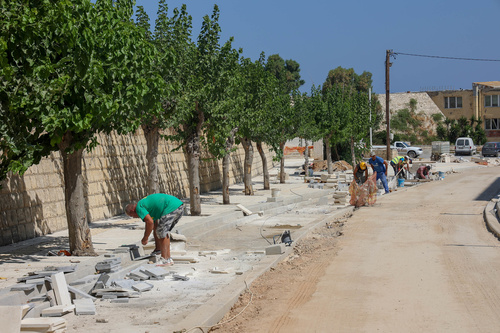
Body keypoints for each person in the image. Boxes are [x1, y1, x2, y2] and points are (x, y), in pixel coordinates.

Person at [125, 193, 184, 266]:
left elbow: (149, 222)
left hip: (171, 207)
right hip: (178, 206)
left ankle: (165, 259)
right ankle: (168, 258)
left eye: (132, 216)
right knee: (162, 232)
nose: (134, 218)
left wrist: (145, 238)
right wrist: (157, 248)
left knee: (162, 233)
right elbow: (155, 226)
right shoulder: (148, 207)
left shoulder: (138, 208)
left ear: (132, 210)